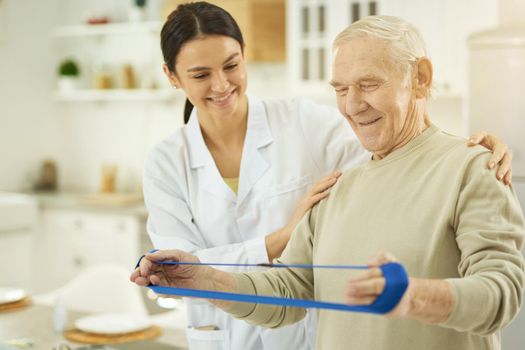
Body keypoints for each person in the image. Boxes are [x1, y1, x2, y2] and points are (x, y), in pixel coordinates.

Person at [140, 4, 515, 349]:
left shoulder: (471, 170)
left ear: (420, 77)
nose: (352, 106)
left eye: (368, 84)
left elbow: (502, 293)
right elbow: (290, 290)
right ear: (173, 77)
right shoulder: (339, 185)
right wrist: (204, 279)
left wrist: (415, 298)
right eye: (340, 89)